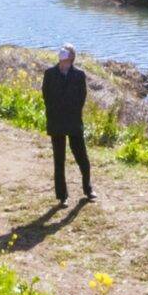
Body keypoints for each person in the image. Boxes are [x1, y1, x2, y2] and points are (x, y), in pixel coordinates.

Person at [41, 45, 92, 204]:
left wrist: (72, 111)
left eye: (65, 57)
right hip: (56, 121)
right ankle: (62, 196)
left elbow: (81, 97)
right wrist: (55, 111)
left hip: (73, 121)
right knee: (59, 159)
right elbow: (46, 95)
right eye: (61, 57)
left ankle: (88, 188)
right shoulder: (50, 74)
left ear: (71, 58)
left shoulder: (79, 75)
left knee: (81, 156)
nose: (62, 60)